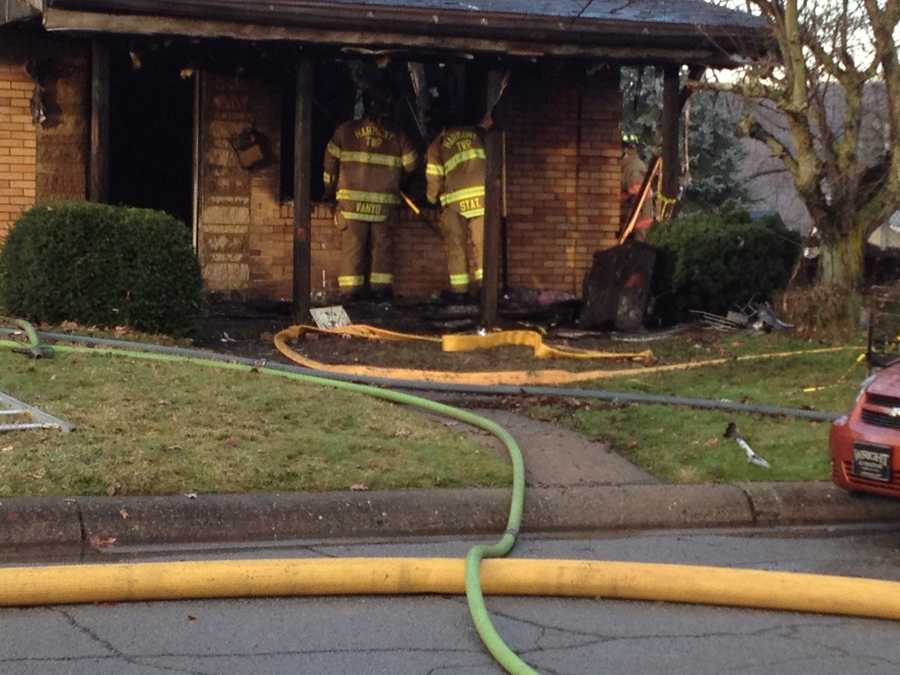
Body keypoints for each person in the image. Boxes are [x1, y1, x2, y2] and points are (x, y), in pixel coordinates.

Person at [323, 91, 418, 302]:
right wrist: (400, 180)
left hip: (351, 204)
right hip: (383, 205)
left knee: (353, 248)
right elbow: (412, 164)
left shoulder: (345, 131)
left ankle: (350, 294)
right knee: (381, 248)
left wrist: (328, 189)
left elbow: (329, 164)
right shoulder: (398, 135)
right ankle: (380, 292)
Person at [426, 116, 487, 304]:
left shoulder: (439, 143)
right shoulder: (480, 135)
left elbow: (434, 176)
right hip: (483, 199)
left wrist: (431, 199)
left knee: (456, 247)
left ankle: (460, 292)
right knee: (482, 246)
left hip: (454, 203)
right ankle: (485, 290)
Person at [621, 134, 654, 241]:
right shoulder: (629, 165)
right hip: (637, 215)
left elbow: (637, 190)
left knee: (638, 247)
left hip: (639, 215)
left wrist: (619, 197)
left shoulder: (633, 167)